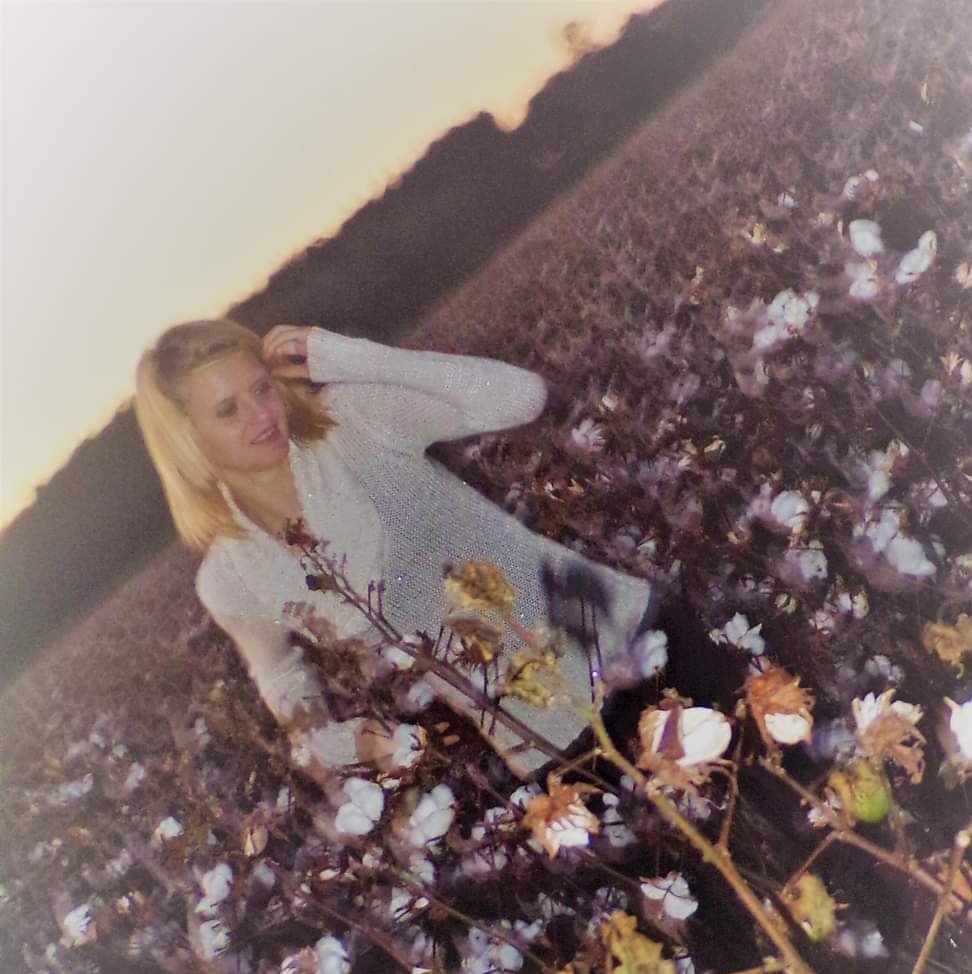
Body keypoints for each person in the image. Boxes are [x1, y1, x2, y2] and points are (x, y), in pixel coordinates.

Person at [134, 319, 725, 798]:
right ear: (186, 437)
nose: (262, 415)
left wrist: (350, 356)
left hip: (637, 647)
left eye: (262, 388)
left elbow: (522, 397)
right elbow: (282, 680)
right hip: (554, 754)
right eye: (228, 410)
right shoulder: (231, 578)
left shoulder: (352, 422)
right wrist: (349, 744)